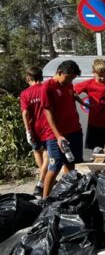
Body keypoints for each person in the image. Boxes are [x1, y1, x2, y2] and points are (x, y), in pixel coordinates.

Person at [40, 60, 83, 198]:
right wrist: (58, 136)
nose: (70, 81)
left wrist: (85, 104)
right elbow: (48, 113)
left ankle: (66, 195)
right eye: (69, 77)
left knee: (71, 165)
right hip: (55, 135)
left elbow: (72, 96)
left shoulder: (69, 85)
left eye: (73, 79)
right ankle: (45, 199)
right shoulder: (47, 87)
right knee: (54, 167)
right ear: (60, 73)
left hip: (74, 130)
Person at [74, 58, 105, 150]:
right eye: (100, 76)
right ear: (93, 72)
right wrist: (83, 103)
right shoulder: (89, 84)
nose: (103, 78)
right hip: (95, 124)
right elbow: (72, 92)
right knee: (97, 151)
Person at [19, 66, 49, 196]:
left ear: (28, 78)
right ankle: (44, 179)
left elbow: (25, 113)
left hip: (35, 127)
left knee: (37, 151)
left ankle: (42, 180)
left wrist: (27, 130)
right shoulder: (47, 89)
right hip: (49, 126)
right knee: (48, 153)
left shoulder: (25, 93)